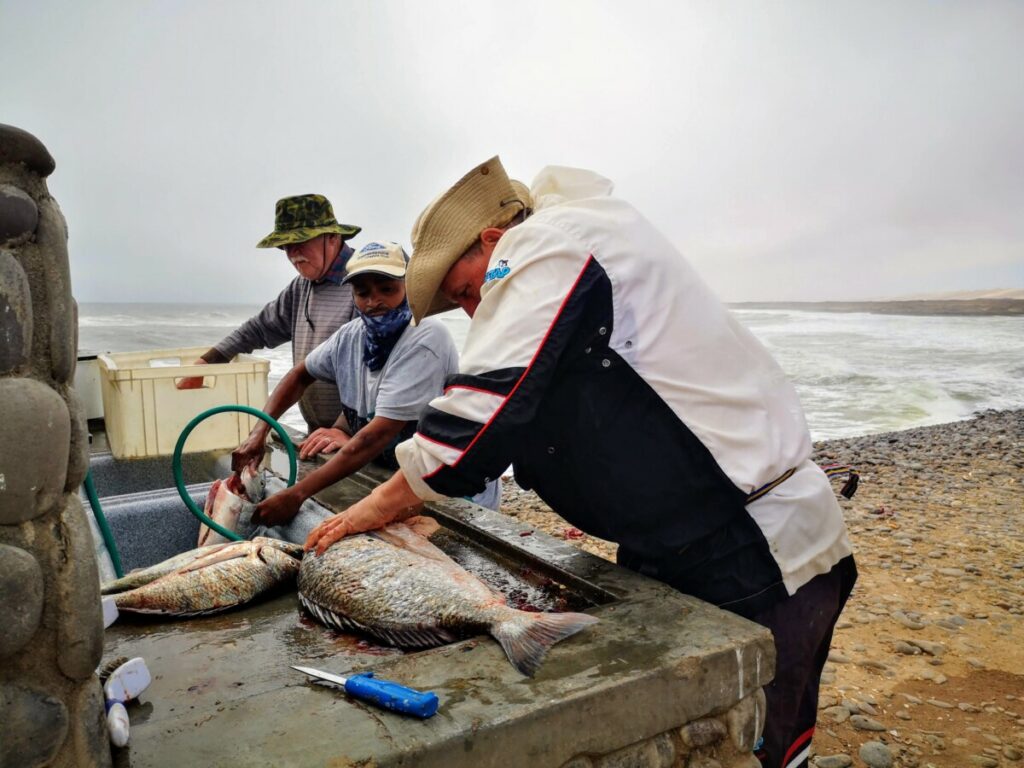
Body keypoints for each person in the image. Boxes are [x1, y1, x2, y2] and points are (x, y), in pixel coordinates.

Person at [304, 157, 857, 768]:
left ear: (494, 241)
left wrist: (371, 508)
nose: (471, 312)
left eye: (466, 291)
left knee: (755, 737)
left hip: (755, 545)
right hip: (680, 541)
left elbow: (473, 422)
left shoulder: (549, 241)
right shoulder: (578, 259)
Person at [232, 240, 500, 530]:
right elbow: (300, 375)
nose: (374, 302)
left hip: (452, 491)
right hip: (400, 479)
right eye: (363, 293)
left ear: (408, 286)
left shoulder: (426, 339)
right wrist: (259, 433)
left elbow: (375, 437)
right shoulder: (350, 336)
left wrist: (297, 494)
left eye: (387, 289)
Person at [177, 193, 362, 433]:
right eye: (286, 246)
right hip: (322, 435)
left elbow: (373, 373)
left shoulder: (365, 283)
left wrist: (342, 429)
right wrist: (207, 362)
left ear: (333, 237)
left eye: (301, 241)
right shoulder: (302, 286)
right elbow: (259, 328)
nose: (293, 253)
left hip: (360, 437)